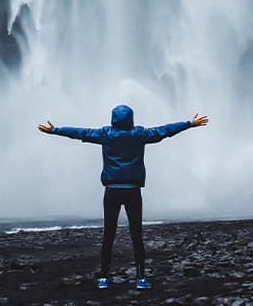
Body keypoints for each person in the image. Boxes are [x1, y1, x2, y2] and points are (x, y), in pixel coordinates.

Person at [38, 104, 210, 290]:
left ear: (113, 119)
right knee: (137, 235)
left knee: (108, 234)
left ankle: (104, 277)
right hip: (133, 190)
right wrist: (189, 123)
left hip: (111, 190)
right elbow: (165, 131)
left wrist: (55, 130)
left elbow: (81, 133)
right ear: (131, 118)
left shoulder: (105, 134)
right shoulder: (139, 134)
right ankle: (140, 278)